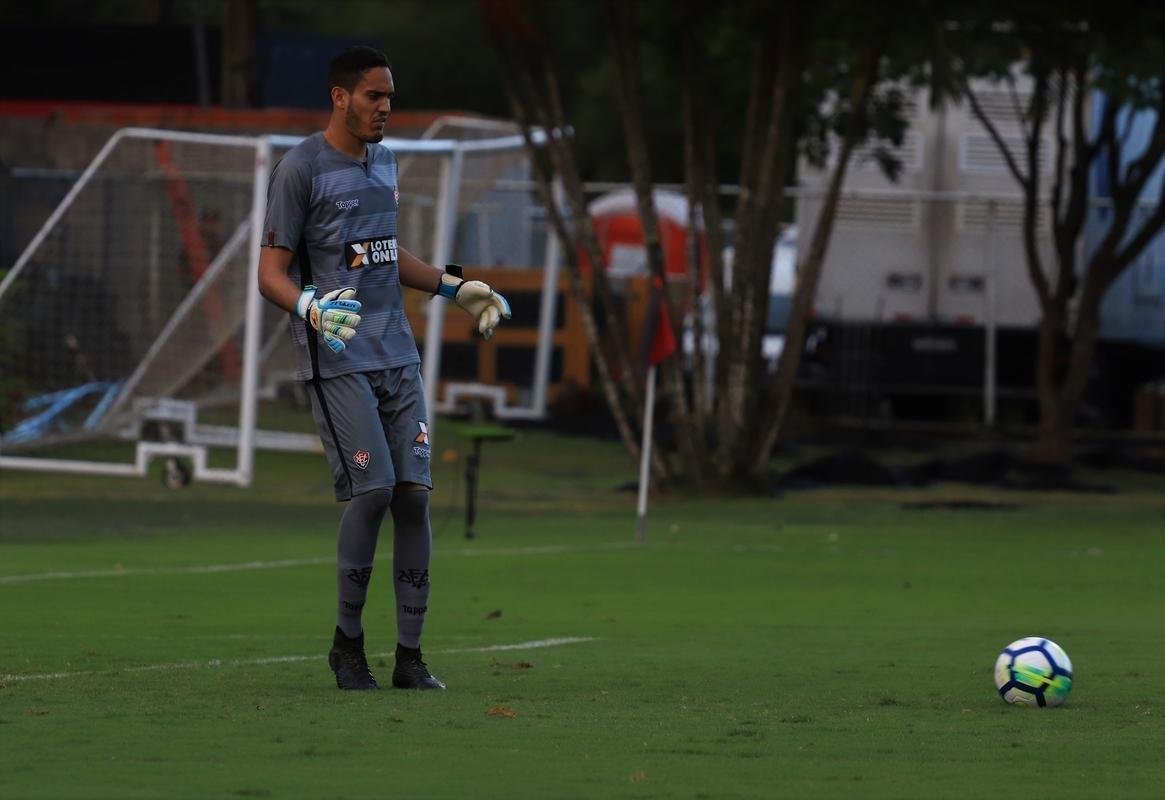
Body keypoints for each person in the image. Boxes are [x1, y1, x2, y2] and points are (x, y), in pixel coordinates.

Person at [257, 45, 511, 691]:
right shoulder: (300, 169)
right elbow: (269, 274)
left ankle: (410, 659)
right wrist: (310, 306)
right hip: (339, 357)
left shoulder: (386, 162)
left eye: (389, 97)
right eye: (374, 95)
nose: (384, 108)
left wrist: (456, 286)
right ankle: (347, 646)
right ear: (340, 97)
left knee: (414, 498)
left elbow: (385, 255)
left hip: (397, 353)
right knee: (372, 493)